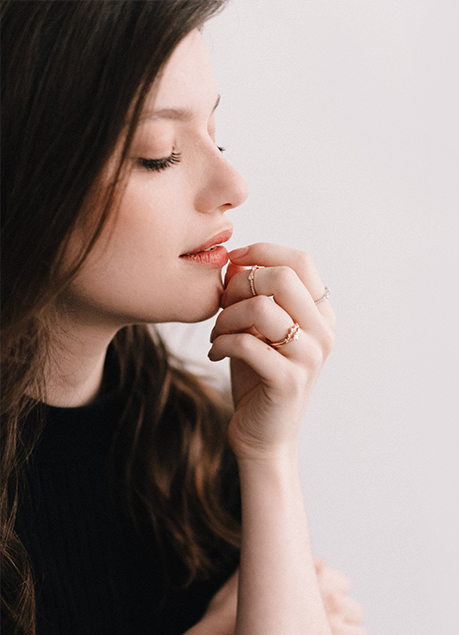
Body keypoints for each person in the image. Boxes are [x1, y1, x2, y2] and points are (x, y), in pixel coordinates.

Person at [0, 2, 364, 633]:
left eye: (215, 134)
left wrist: (268, 456)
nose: (233, 182)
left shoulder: (193, 447)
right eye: (158, 154)